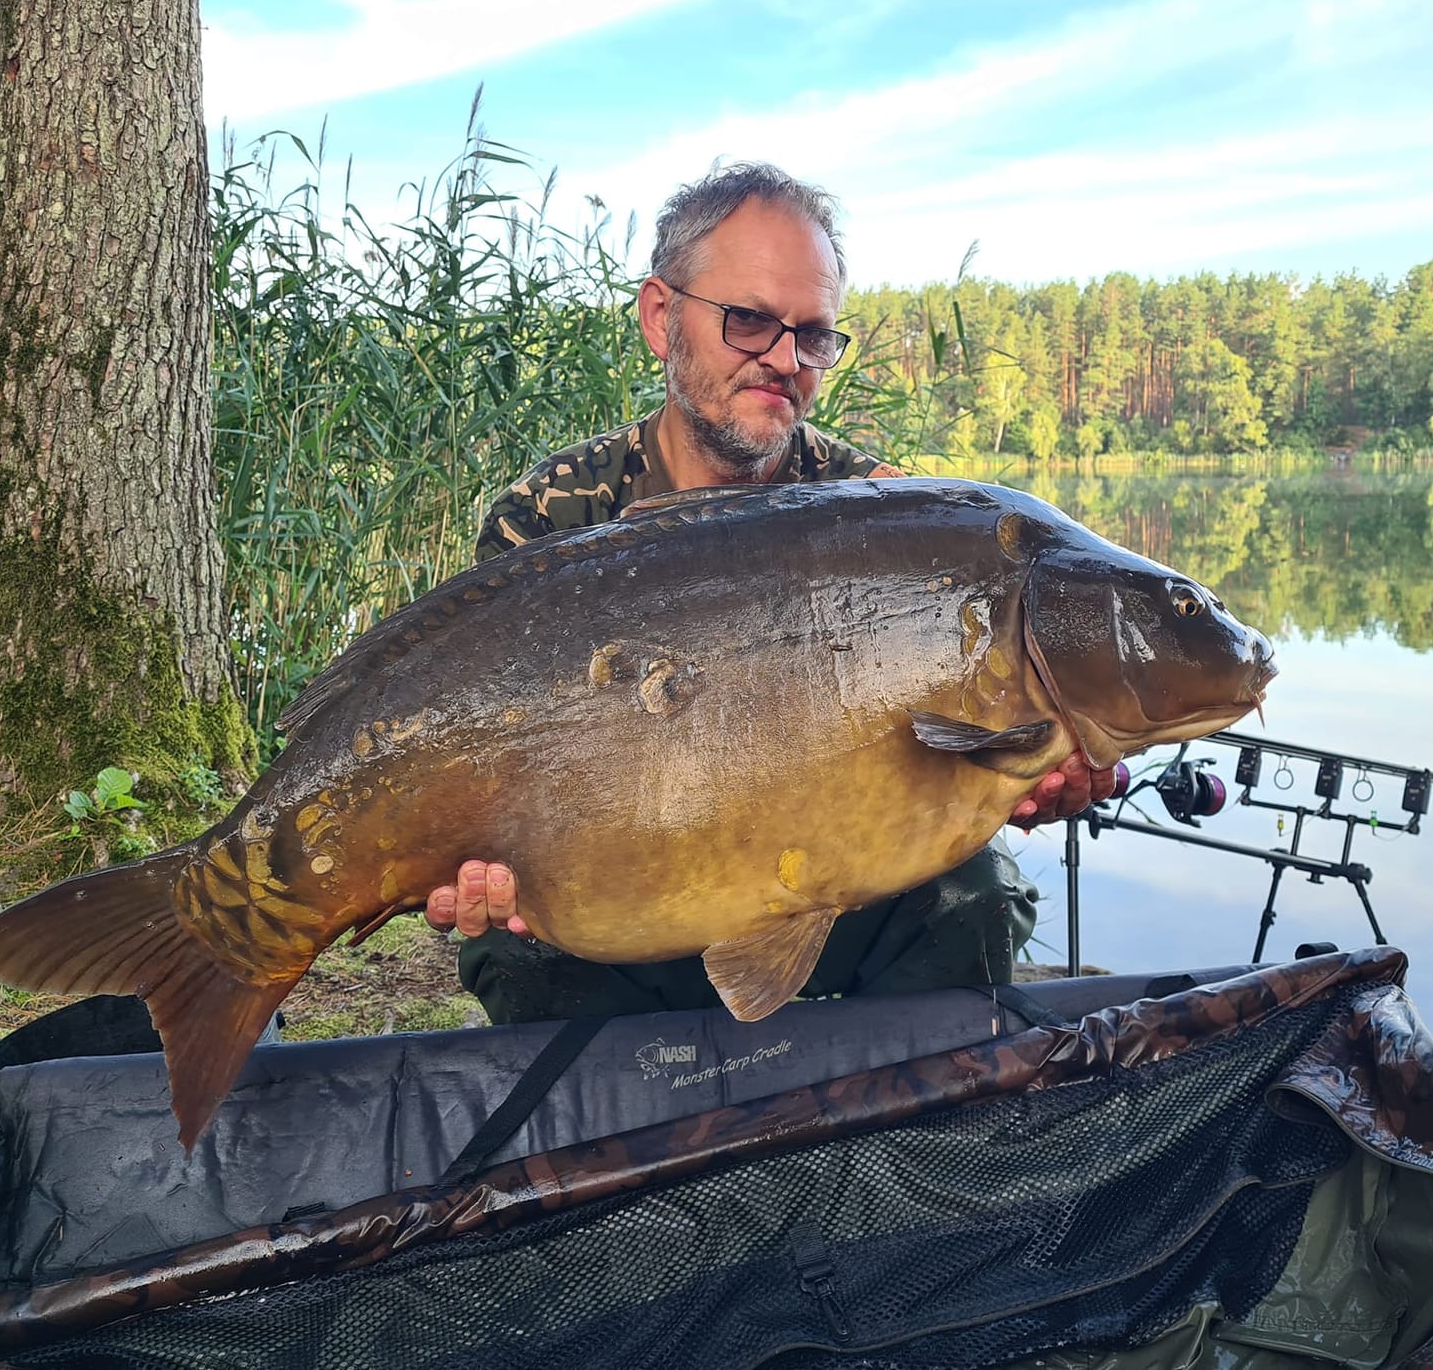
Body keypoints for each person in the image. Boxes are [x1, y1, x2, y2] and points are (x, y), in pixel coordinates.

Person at [424, 161, 1117, 1024]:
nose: (785, 361)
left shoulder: (885, 514)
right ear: (660, 316)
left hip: (826, 893)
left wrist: (1021, 776)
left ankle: (896, 1144)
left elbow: (951, 756)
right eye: (749, 321)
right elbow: (462, 751)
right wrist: (453, 855)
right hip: (617, 902)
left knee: (974, 892)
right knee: (514, 944)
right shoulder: (554, 516)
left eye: (814, 335)